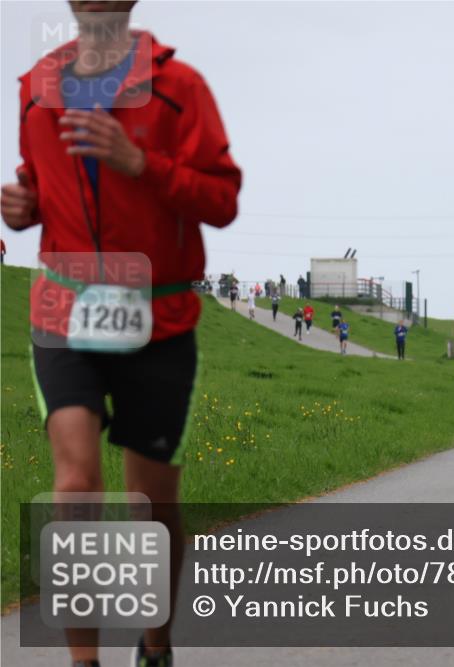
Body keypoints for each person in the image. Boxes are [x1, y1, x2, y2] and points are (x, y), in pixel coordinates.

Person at [1, 3, 241, 666]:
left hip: (157, 320)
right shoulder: (33, 87)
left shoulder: (180, 86)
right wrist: (24, 206)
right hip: (65, 310)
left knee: (151, 503)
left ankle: (156, 641)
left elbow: (222, 199)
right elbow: (40, 181)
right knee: (75, 484)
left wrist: (142, 163)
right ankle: (84, 661)